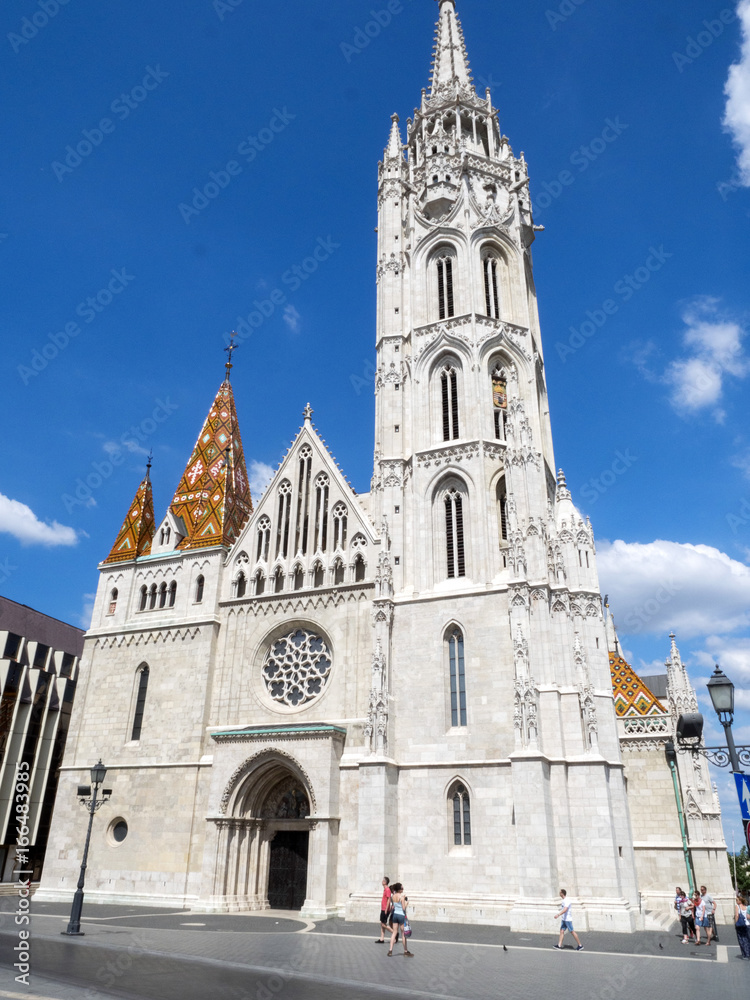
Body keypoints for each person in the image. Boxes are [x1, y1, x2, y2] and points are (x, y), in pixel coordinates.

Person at [387, 883, 413, 957]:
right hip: (401, 915)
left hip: (395, 915)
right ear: (399, 889)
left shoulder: (393, 896)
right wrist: (406, 903)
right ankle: (405, 951)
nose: (403, 889)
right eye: (402, 888)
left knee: (394, 932)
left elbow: (394, 906)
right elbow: (403, 908)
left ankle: (390, 950)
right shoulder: (402, 897)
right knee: (403, 934)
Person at [735, 892, 750, 960]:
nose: (736, 901)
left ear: (740, 901)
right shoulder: (746, 907)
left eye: (737, 900)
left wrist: (736, 923)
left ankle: (745, 954)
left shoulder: (737, 906)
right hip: (747, 924)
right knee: (747, 939)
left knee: (741, 939)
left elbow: (737, 915)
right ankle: (748, 953)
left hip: (740, 925)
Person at [376, 877, 391, 943]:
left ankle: (394, 933)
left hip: (385, 909)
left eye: (383, 880)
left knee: (383, 924)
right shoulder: (385, 889)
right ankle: (382, 938)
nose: (382, 881)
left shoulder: (387, 889)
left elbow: (389, 900)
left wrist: (386, 909)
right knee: (382, 923)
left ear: (385, 882)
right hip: (383, 908)